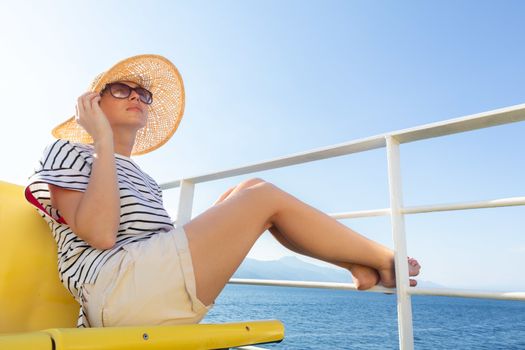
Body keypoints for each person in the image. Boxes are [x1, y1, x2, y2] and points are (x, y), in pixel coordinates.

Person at [25, 54, 421, 329]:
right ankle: (385, 259)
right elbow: (101, 235)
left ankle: (353, 263)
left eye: (142, 94)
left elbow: (153, 242)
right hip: (114, 293)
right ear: (93, 102)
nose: (136, 97)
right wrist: (102, 141)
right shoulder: (71, 150)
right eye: (121, 90)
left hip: (142, 284)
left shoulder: (141, 177)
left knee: (245, 191)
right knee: (260, 195)